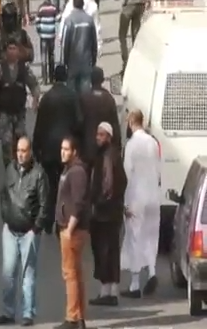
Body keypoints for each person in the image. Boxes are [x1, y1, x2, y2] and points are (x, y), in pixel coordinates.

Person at [0, 137, 48, 326]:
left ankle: (28, 314)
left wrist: (36, 228)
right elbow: (3, 193)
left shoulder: (39, 174)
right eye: (18, 150)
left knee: (28, 275)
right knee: (8, 273)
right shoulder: (10, 169)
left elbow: (44, 204)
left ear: (31, 151)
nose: (20, 154)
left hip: (28, 233)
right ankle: (8, 312)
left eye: (24, 150)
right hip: (10, 230)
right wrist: (5, 216)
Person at [33, 65, 81, 234]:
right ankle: (61, 220)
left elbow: (40, 124)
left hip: (48, 149)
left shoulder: (47, 98)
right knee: (64, 186)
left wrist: (36, 147)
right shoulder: (72, 97)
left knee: (49, 186)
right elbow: (78, 123)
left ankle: (46, 220)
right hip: (65, 149)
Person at [120, 110, 161, 299]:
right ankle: (152, 272)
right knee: (150, 235)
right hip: (153, 195)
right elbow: (158, 168)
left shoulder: (131, 145)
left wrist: (125, 201)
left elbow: (128, 171)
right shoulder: (153, 142)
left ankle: (134, 285)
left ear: (130, 123)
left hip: (136, 196)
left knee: (134, 238)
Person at [88, 122, 127, 307]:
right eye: (97, 134)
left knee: (104, 252)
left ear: (109, 137)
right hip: (113, 212)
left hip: (105, 214)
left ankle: (107, 292)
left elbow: (109, 185)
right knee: (111, 252)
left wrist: (98, 204)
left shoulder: (108, 156)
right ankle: (111, 291)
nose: (98, 137)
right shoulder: (111, 154)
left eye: (102, 134)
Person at [55, 137, 91, 329]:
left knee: (70, 274)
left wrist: (69, 228)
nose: (63, 152)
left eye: (67, 149)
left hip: (73, 230)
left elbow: (79, 203)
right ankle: (80, 317)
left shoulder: (76, 172)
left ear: (75, 151)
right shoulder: (69, 168)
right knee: (76, 274)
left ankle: (72, 318)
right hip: (71, 228)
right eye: (62, 148)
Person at [0, 38, 40, 168]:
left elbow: (34, 85)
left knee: (21, 141)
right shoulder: (0, 68)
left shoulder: (23, 68)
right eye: (10, 49)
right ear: (5, 52)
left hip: (19, 111)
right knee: (6, 142)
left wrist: (35, 99)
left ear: (18, 51)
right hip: (4, 111)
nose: (12, 51)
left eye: (14, 49)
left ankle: (21, 167)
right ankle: (9, 169)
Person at [79, 67, 120, 165]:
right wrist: (117, 147)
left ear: (90, 80)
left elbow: (78, 123)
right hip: (104, 149)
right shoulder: (108, 99)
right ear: (102, 80)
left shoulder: (83, 98)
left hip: (87, 149)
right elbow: (115, 125)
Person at [60, 0, 98, 95]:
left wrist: (65, 61)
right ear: (83, 4)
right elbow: (94, 41)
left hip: (72, 61)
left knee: (71, 92)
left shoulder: (69, 20)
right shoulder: (89, 20)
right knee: (85, 93)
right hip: (86, 61)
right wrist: (94, 58)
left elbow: (65, 43)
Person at [58, 0, 102, 64]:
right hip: (87, 57)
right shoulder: (92, 11)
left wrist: (65, 58)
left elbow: (64, 35)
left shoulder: (70, 13)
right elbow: (96, 31)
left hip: (73, 57)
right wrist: (97, 51)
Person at [34, 0, 60, 83]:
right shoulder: (53, 8)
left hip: (43, 36)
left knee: (43, 56)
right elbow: (58, 18)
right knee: (51, 55)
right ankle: (52, 77)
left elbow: (37, 21)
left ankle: (44, 78)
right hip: (51, 35)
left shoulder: (41, 8)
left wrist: (39, 31)